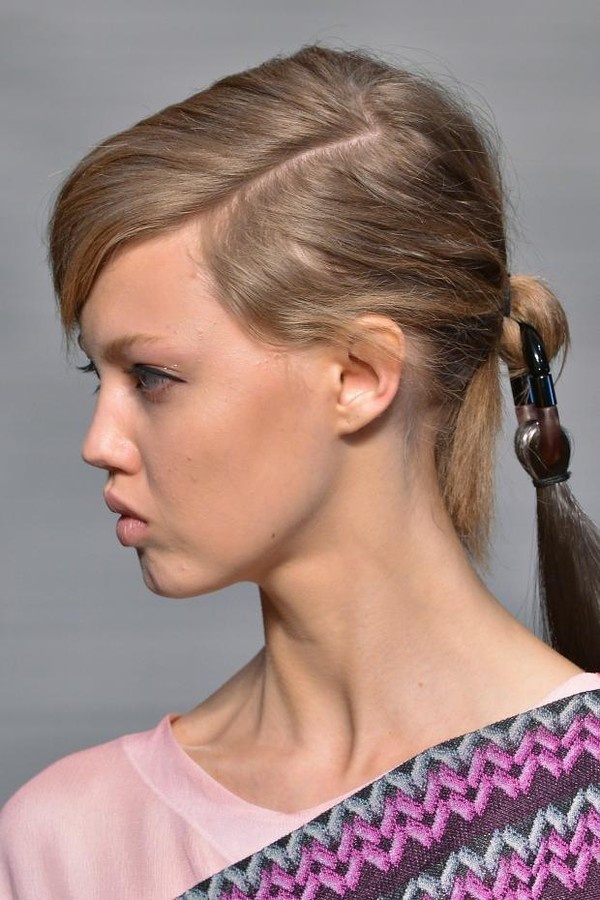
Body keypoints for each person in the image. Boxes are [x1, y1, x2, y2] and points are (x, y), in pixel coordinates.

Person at [1, 45, 599, 900]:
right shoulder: (69, 843)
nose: (100, 441)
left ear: (358, 374)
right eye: (101, 377)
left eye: (153, 377)